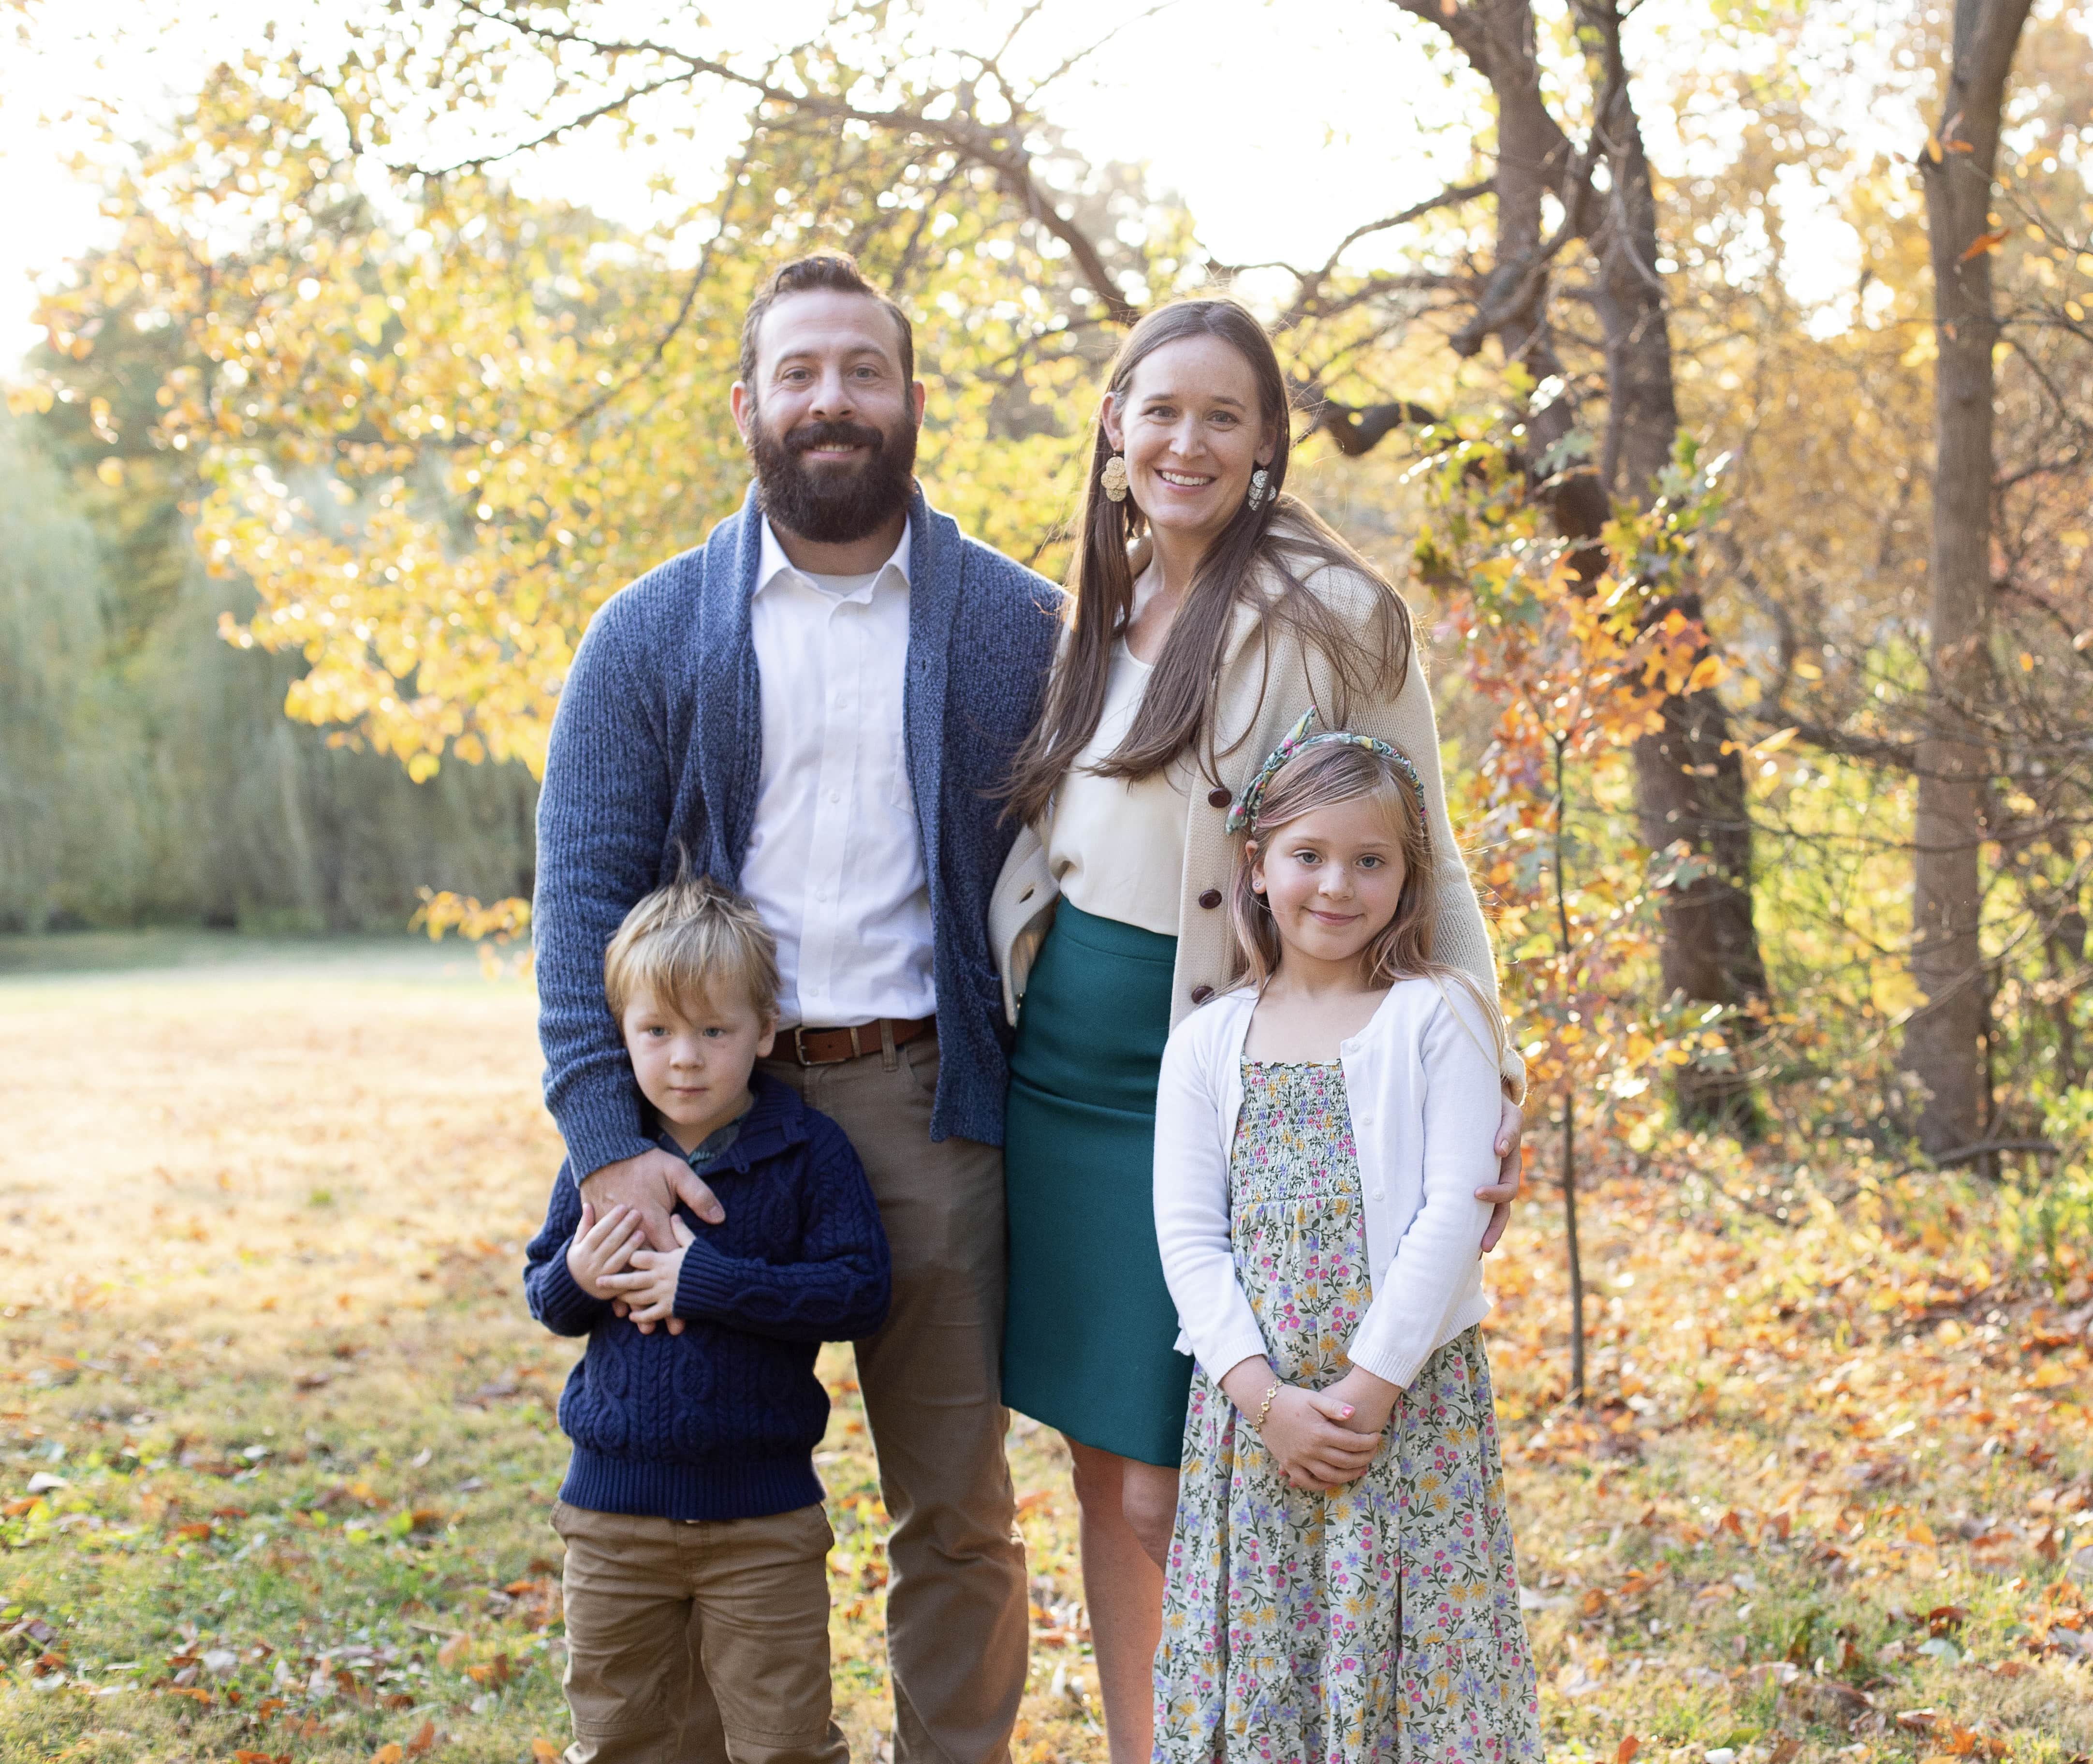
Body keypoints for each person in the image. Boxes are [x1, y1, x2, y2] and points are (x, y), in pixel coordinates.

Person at [534, 254, 1060, 1763]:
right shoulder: (646, 633)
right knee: (676, 1492)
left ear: (909, 399)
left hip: (928, 1101)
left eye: (864, 371)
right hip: (701, 1119)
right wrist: (605, 1147)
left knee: (954, 1508)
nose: (832, 398)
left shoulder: (1022, 628)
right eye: (800, 371)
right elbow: (578, 904)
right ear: (752, 402)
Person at [990, 297, 1526, 1758]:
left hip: (1245, 1076)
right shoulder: (1088, 606)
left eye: (1222, 416)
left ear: (1267, 443)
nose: (1186, 441)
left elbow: (1436, 848)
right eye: (1159, 410)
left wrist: (1493, 1064)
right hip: (1072, 1088)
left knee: (1190, 1482)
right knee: (1113, 1472)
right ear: (1114, 427)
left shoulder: (1335, 614)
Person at [1150, 721, 1542, 1759]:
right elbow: (1188, 1238)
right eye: (1309, 856)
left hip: (1402, 1416)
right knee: (1277, 1655)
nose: (1335, 885)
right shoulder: (1206, 1040)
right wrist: (1264, 1401)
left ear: (1408, 880)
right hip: (1259, 1425)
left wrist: (1366, 1392)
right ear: (1258, 866)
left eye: (1369, 861)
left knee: (1408, 1661)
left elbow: (1449, 1216)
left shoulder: (1434, 1016)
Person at [523, 874, 892, 1764]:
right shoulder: (605, 1158)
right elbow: (549, 1297)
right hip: (614, 1520)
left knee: (782, 1744)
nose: (683, 1058)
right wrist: (577, 1270)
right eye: (656, 1032)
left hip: (761, 1524)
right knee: (621, 1738)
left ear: (764, 1031)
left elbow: (857, 1290)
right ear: (623, 1034)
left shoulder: (807, 1150)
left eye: (712, 1031)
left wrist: (709, 1283)